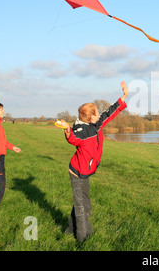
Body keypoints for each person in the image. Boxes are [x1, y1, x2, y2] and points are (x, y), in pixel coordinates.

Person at [59, 81, 128, 242]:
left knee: (83, 202)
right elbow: (74, 139)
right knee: (82, 207)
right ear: (90, 116)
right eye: (96, 112)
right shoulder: (81, 130)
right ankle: (83, 239)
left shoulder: (95, 125)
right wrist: (67, 129)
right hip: (76, 172)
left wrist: (124, 96)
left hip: (86, 171)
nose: (99, 114)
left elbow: (109, 113)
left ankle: (70, 229)